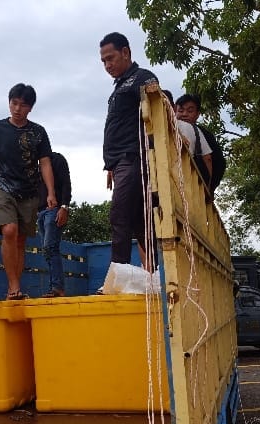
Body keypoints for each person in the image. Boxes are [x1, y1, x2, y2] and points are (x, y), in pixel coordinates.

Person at [0, 83, 57, 300]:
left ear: (30, 108)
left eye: (23, 105)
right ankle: (14, 286)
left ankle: (15, 290)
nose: (17, 108)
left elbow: (45, 163)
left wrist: (51, 193)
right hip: (2, 187)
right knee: (9, 231)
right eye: (14, 103)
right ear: (9, 103)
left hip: (29, 190)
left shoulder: (38, 132)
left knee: (20, 240)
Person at [99, 32, 158, 271]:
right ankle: (154, 274)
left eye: (110, 58)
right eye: (103, 61)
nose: (107, 65)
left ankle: (119, 274)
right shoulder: (119, 86)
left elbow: (159, 112)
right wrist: (111, 166)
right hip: (120, 163)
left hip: (135, 158)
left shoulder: (142, 78)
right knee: (138, 222)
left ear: (126, 52)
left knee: (119, 215)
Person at [37, 151, 71, 298]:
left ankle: (57, 287)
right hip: (39, 212)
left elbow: (66, 183)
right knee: (48, 250)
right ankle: (55, 287)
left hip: (54, 209)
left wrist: (64, 207)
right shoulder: (31, 165)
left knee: (50, 247)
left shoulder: (56, 159)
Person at [175, 94, 214, 187]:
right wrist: (208, 188)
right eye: (181, 110)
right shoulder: (197, 131)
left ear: (197, 114)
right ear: (175, 111)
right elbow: (207, 159)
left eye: (190, 111)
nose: (184, 114)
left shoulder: (166, 125)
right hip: (192, 185)